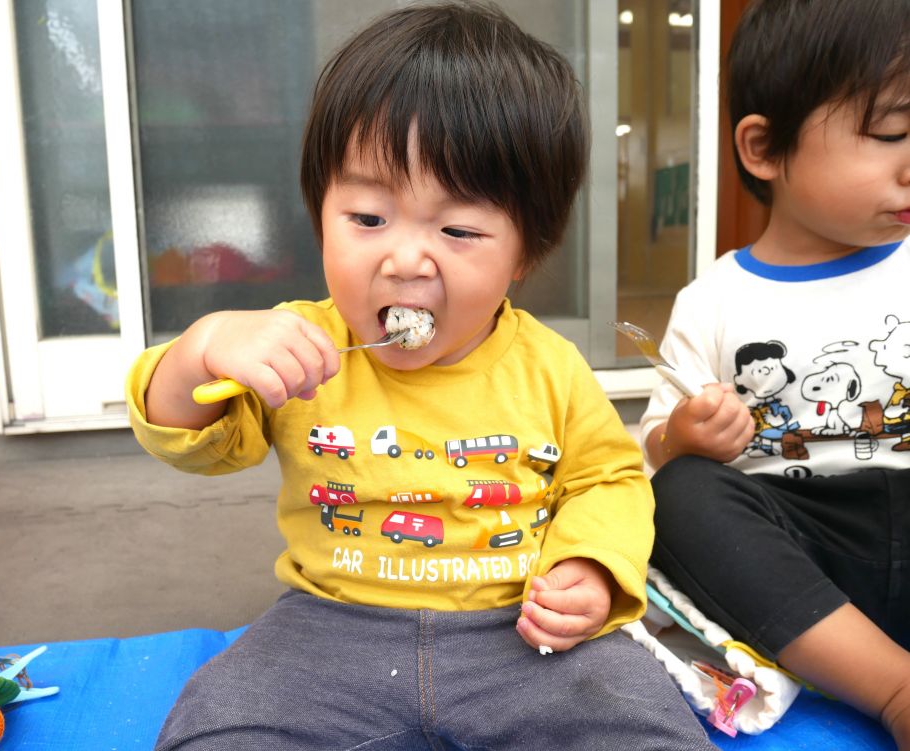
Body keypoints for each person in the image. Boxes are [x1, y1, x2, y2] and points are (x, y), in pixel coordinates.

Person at [127, 3, 717, 749]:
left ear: (524, 253)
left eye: (459, 230)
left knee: (641, 722)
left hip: (521, 634)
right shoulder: (300, 341)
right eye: (368, 218)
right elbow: (184, 433)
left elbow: (608, 479)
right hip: (324, 628)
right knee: (216, 721)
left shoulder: (548, 365)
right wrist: (202, 348)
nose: (405, 259)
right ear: (320, 215)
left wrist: (591, 567)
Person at [639, 0, 910, 747]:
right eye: (891, 132)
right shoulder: (716, 298)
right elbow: (654, 447)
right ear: (763, 149)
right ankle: (892, 684)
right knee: (680, 495)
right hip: (803, 564)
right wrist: (685, 435)